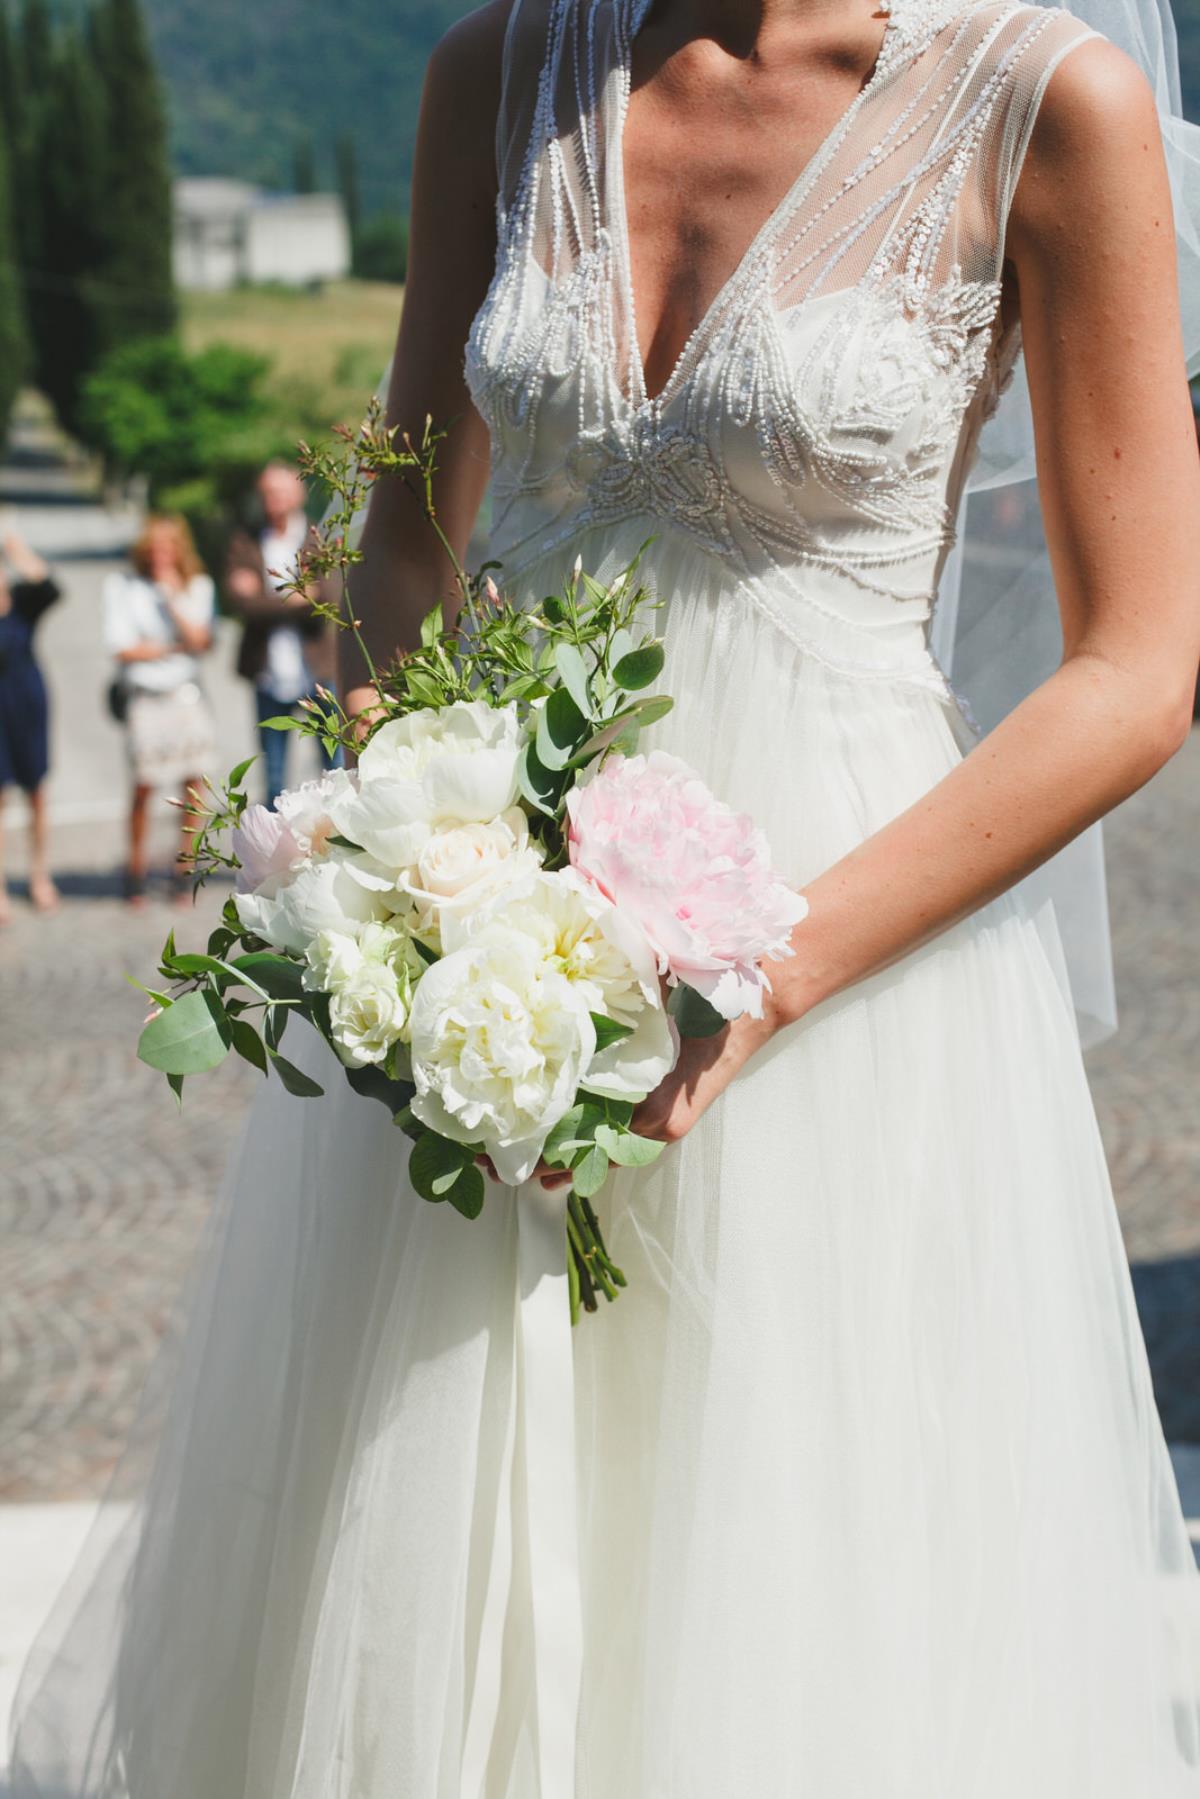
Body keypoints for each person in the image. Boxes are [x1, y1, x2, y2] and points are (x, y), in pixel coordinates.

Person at [10, 0, 1200, 1792]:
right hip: (500, 936)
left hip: (838, 972)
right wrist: (429, 862)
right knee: (430, 1538)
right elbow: (404, 531)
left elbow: (1139, 664)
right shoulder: (495, 76)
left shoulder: (1052, 105)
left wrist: (770, 977)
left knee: (785, 1562)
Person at [104, 515, 217, 906]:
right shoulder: (123, 587)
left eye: (167, 548)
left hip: (186, 694)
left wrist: (172, 601)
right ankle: (135, 868)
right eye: (154, 549)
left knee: (191, 790)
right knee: (143, 784)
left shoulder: (197, 586)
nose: (160, 556)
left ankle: (182, 870)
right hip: (145, 696)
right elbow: (122, 647)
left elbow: (201, 640)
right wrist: (170, 649)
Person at [225, 460, 337, 805]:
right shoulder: (246, 540)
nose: (273, 498)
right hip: (269, 671)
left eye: (280, 491)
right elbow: (243, 605)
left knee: (335, 771)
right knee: (274, 779)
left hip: (318, 670)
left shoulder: (318, 539)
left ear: (298, 494)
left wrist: (264, 596)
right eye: (268, 492)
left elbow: (328, 599)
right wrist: (296, 597)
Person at [0, 528, 61, 922]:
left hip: (27, 703)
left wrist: (15, 549)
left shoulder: (23, 602)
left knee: (36, 792)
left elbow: (52, 588)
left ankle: (39, 873)